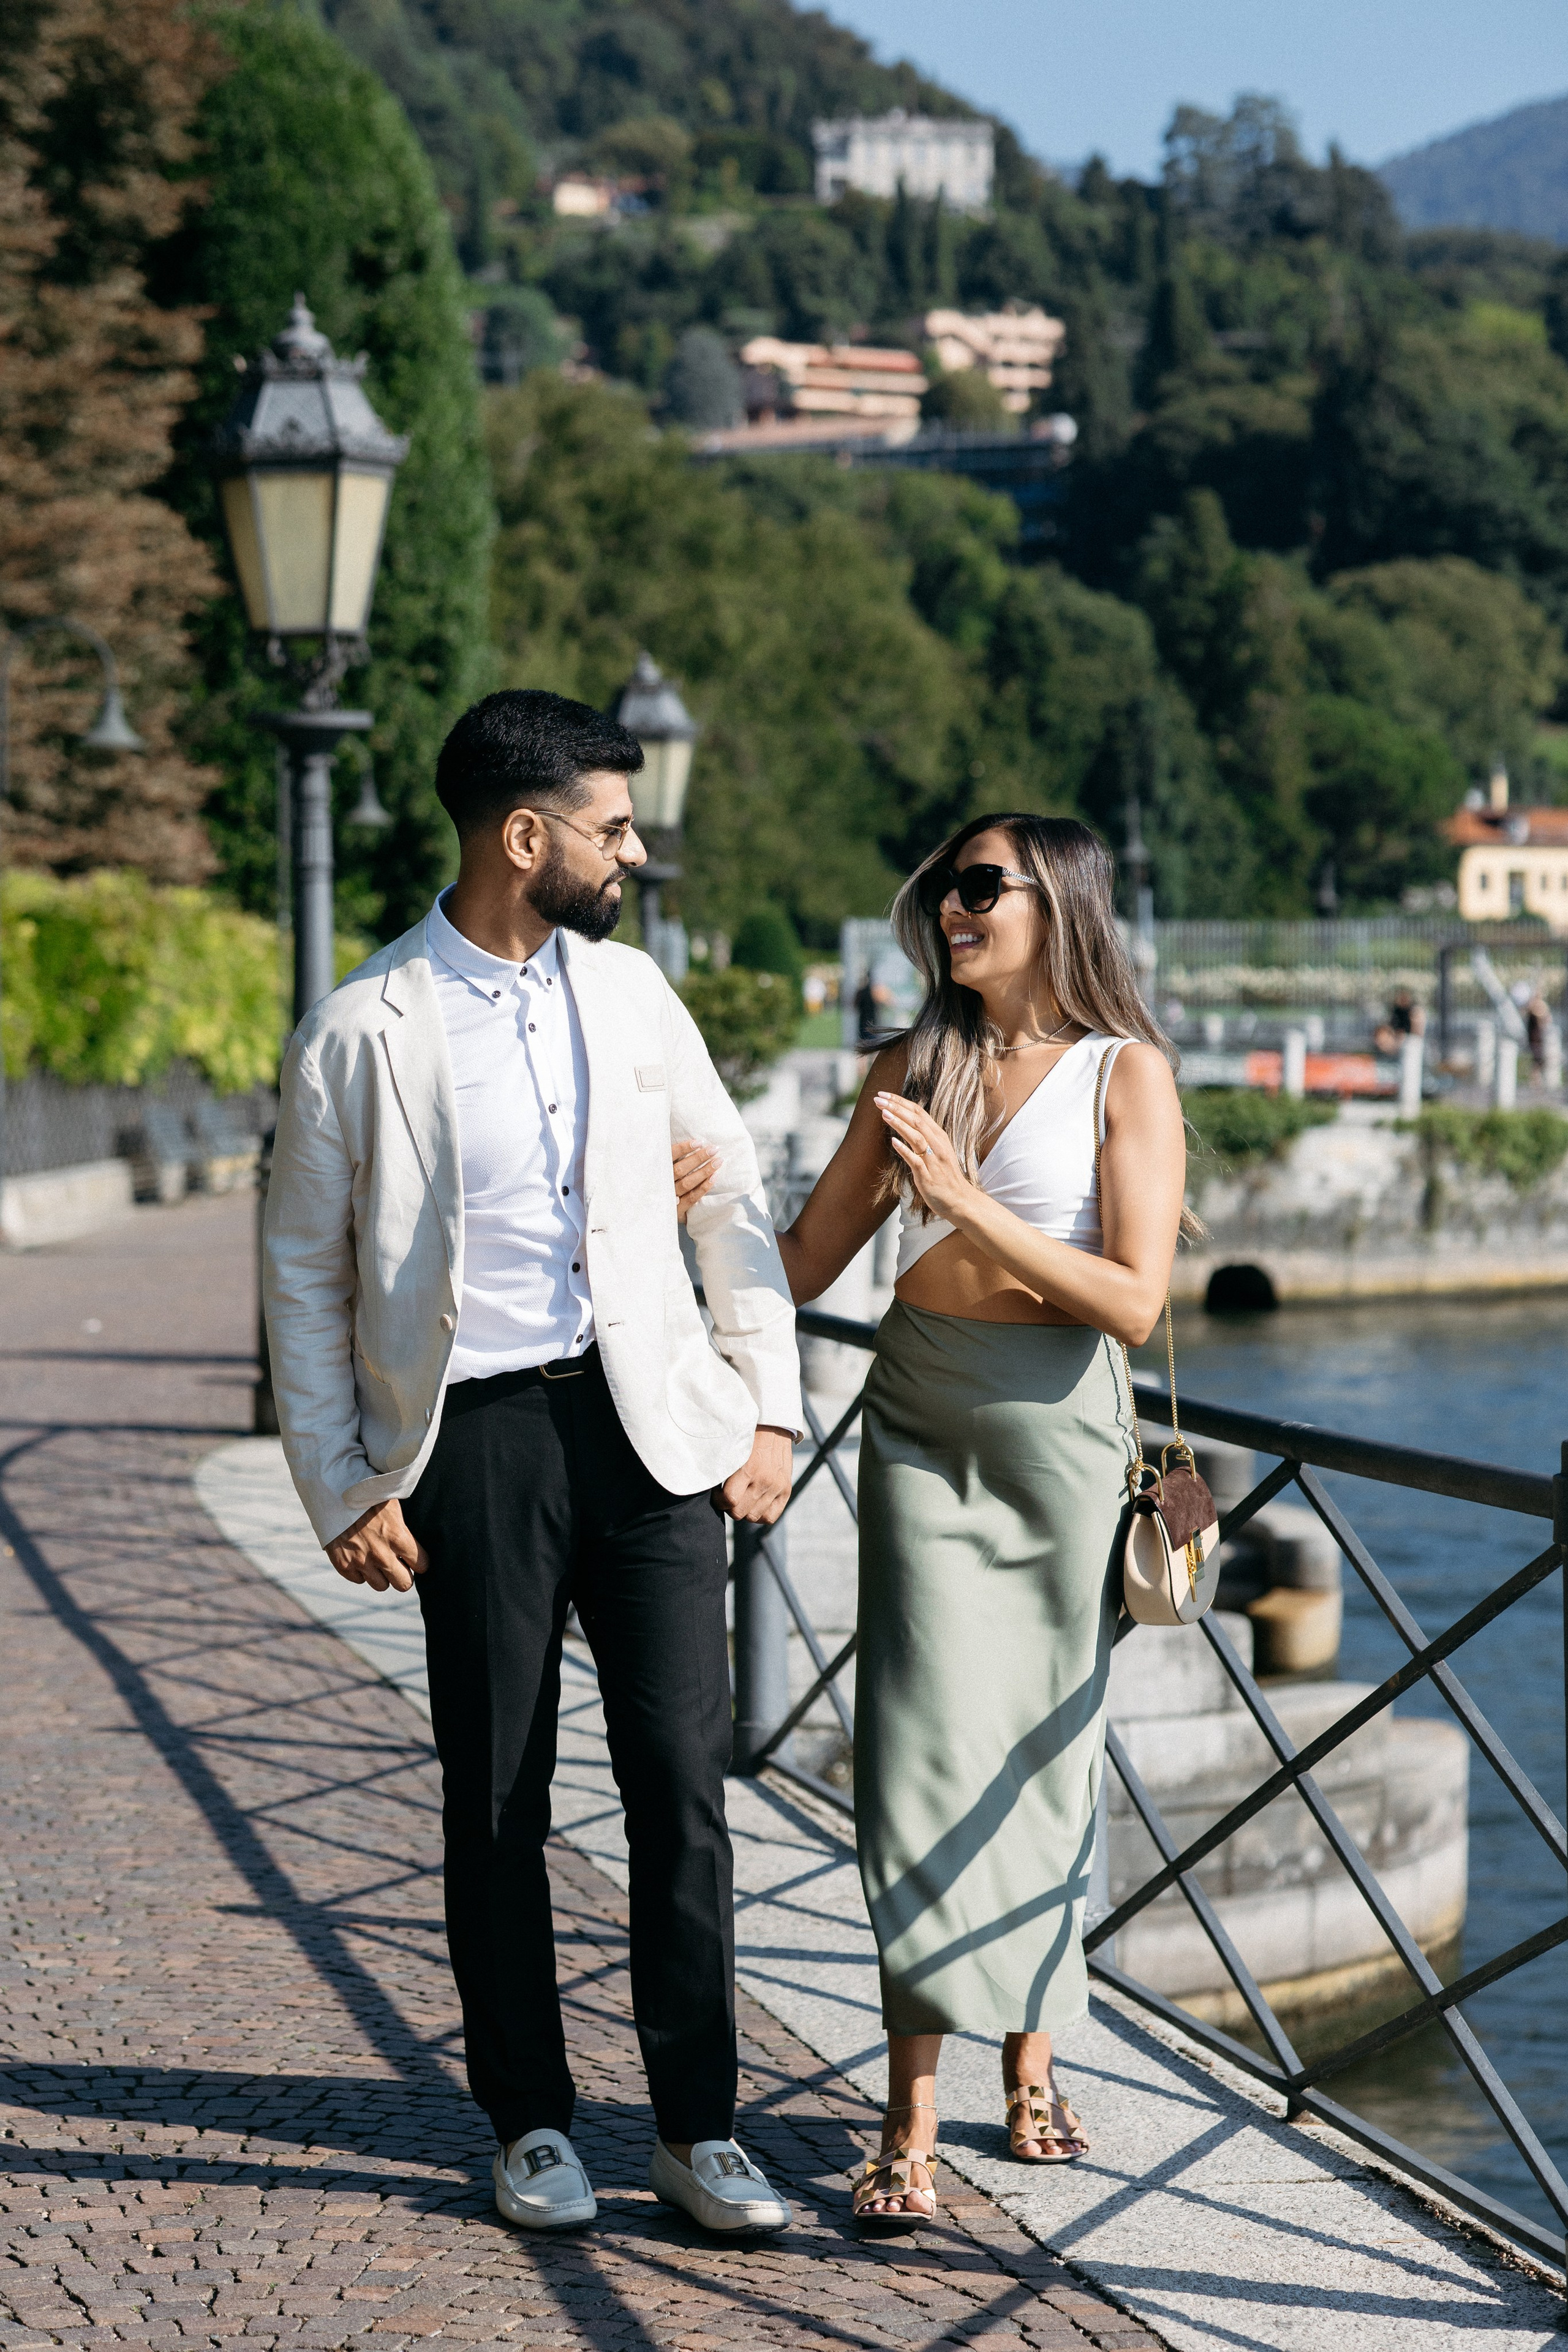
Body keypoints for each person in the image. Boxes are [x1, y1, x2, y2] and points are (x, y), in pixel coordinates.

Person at [263, 690, 802, 2237]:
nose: (633, 851)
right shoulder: (360, 1028)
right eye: (610, 828)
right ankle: (531, 2124)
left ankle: (698, 2130)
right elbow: (300, 1273)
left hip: (651, 1433)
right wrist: (344, 1484)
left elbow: (728, 1197)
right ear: (524, 835)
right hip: (474, 1443)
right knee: (496, 1795)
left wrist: (766, 1406)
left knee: (679, 1789)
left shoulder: (633, 994)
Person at [777, 814, 1186, 2225]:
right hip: (916, 1416)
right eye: (943, 888)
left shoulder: (1125, 1074)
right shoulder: (912, 1067)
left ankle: (1031, 2062)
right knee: (915, 1756)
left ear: (1055, 901)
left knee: (1043, 1751)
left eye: (979, 886)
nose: (952, 907)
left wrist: (959, 1200)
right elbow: (804, 1261)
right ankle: (906, 2116)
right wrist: (683, 1211)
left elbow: (1131, 1300)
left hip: (1057, 1439)